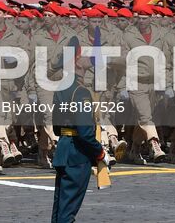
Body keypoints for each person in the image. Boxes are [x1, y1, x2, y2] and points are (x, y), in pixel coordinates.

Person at [51, 54, 106, 223]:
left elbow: (56, 127)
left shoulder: (62, 87)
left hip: (64, 150)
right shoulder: (80, 91)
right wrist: (100, 152)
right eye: (81, 55)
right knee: (67, 213)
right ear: (76, 63)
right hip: (77, 154)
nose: (87, 57)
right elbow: (84, 132)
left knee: (60, 210)